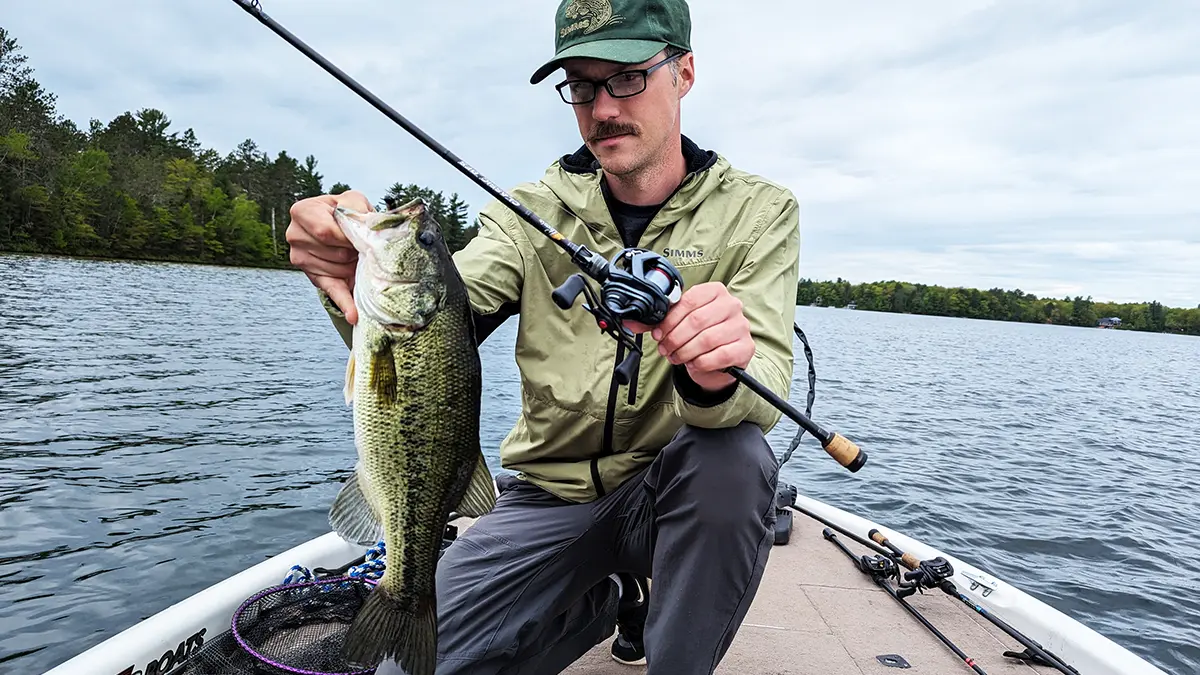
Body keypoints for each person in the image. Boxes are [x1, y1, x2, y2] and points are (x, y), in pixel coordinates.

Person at [286, 0, 801, 671]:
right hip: (544, 494)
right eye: (582, 86)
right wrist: (350, 275)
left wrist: (714, 369)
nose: (603, 106)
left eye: (627, 77)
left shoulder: (761, 213)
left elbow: (765, 391)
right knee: (408, 665)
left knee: (736, 458)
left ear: (685, 73)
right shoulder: (529, 211)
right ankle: (604, 596)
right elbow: (440, 317)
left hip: (669, 496)